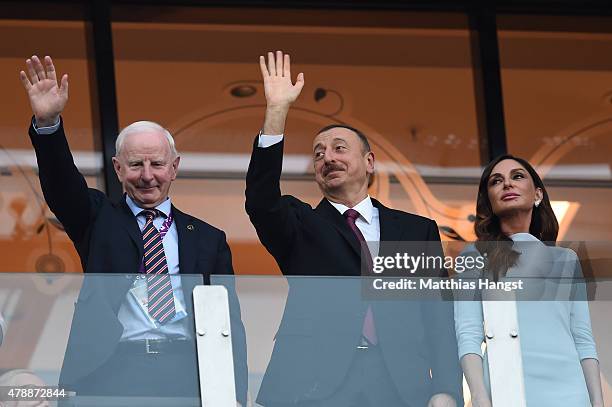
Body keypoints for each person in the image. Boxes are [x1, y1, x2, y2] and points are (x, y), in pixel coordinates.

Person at [20, 55, 247, 405]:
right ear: (118, 169)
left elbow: (230, 324)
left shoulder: (208, 238)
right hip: (111, 368)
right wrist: (48, 123)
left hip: (187, 369)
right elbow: (63, 187)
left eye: (157, 164)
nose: (147, 175)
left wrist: (236, 395)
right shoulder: (97, 218)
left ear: (174, 168)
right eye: (135, 164)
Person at [245, 50, 462, 406]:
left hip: (398, 384)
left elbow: (436, 316)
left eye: (339, 148)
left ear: (369, 162)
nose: (327, 157)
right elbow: (260, 200)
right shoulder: (301, 225)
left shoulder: (413, 231)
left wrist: (446, 389)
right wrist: (276, 112)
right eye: (318, 153)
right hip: (314, 384)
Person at [454, 154, 604, 407]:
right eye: (496, 181)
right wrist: (480, 396)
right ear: (489, 202)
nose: (507, 184)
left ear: (537, 195)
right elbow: (468, 333)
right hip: (506, 386)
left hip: (569, 391)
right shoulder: (474, 256)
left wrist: (597, 403)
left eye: (517, 176)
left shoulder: (566, 259)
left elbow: (583, 339)